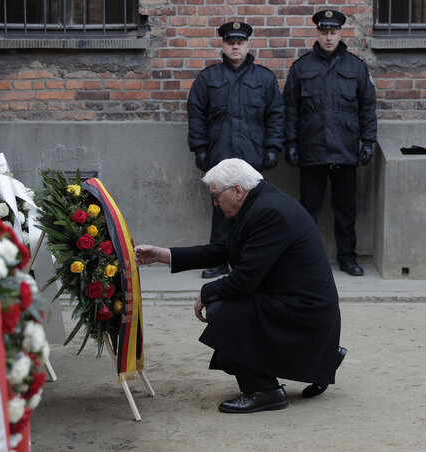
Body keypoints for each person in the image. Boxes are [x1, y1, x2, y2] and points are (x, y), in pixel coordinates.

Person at [134, 158, 346, 413]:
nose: (214, 202)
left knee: (221, 310)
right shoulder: (259, 203)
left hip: (305, 313)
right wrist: (161, 255)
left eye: (215, 195)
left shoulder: (269, 211)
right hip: (295, 304)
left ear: (237, 190)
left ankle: (266, 391)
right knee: (228, 333)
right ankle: (321, 355)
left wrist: (206, 294)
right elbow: (224, 250)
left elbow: (244, 280)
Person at [187, 21, 285, 280]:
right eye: (231, 43)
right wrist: (199, 148)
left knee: (253, 210)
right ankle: (219, 260)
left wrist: (273, 148)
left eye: (240, 43)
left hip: (252, 155)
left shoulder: (263, 78)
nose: (235, 47)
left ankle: (248, 261)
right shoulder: (209, 78)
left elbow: (276, 114)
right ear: (223, 45)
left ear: (248, 45)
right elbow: (196, 114)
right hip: (220, 154)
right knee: (221, 209)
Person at [283, 9, 377, 277]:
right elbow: (290, 108)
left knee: (346, 210)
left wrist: (368, 141)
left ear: (340, 34)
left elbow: (367, 108)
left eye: (333, 32)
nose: (328, 38)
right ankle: (304, 260)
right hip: (311, 150)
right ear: (318, 33)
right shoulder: (301, 68)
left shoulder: (356, 67)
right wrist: (290, 143)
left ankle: (347, 258)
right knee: (307, 211)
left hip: (345, 149)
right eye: (324, 32)